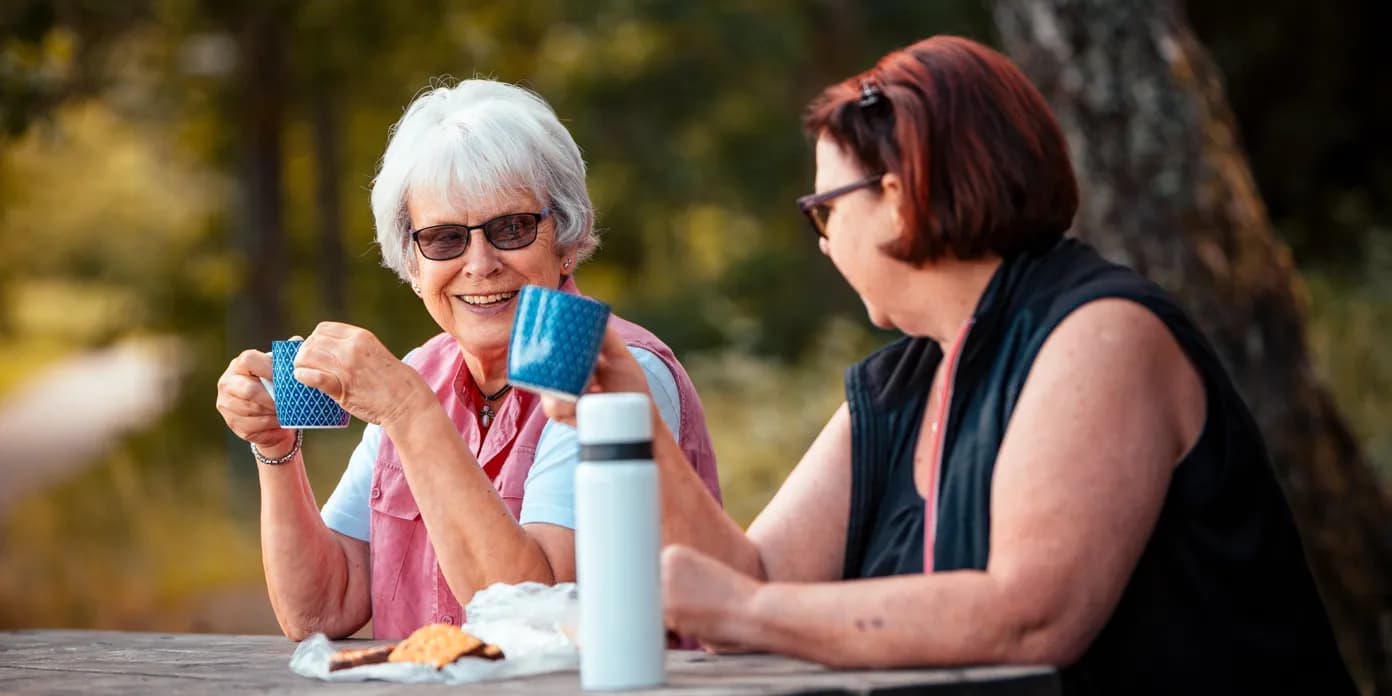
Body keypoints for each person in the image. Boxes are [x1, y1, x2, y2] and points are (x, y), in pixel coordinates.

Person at [544, 36, 1353, 694]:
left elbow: (1031, 616)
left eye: (824, 212)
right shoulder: (907, 378)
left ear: (897, 195)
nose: (822, 240)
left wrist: (751, 610)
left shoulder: (1104, 333)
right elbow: (752, 577)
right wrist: (634, 417)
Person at [214, 79, 722, 641]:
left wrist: (408, 411)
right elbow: (321, 611)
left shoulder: (610, 367)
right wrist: (275, 449)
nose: (480, 264)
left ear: (569, 238)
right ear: (412, 264)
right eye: (445, 238)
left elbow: (538, 619)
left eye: (511, 228)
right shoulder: (419, 371)